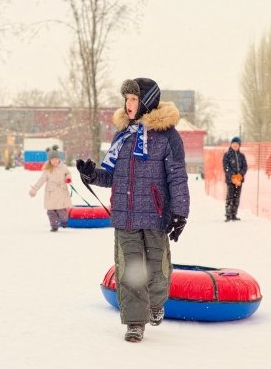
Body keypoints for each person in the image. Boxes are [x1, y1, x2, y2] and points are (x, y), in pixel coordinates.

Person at [77, 77, 190, 342]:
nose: (128, 104)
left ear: (146, 102)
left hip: (155, 215)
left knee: (158, 270)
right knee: (129, 270)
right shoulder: (122, 136)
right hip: (125, 216)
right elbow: (110, 175)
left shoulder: (167, 137)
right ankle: (135, 322)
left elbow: (177, 176)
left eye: (133, 99)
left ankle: (156, 304)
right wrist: (92, 175)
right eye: (126, 99)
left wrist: (180, 211)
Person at [29, 145, 72, 231]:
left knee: (61, 211)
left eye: (56, 159)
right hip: (51, 193)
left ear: (58, 159)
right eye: (52, 159)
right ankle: (54, 226)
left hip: (61, 192)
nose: (55, 161)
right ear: (50, 160)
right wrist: (34, 189)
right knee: (51, 212)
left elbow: (68, 173)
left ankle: (64, 221)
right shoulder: (47, 170)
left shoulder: (63, 167)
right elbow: (41, 180)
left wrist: (68, 178)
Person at [222, 136, 248, 221]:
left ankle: (234, 214)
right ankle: (228, 214)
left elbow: (245, 167)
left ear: (239, 145)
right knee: (230, 196)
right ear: (231, 144)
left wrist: (240, 176)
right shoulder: (227, 155)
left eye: (237, 144)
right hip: (230, 180)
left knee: (237, 197)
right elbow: (226, 167)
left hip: (239, 181)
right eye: (233, 143)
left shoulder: (242, 156)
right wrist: (233, 176)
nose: (235, 145)